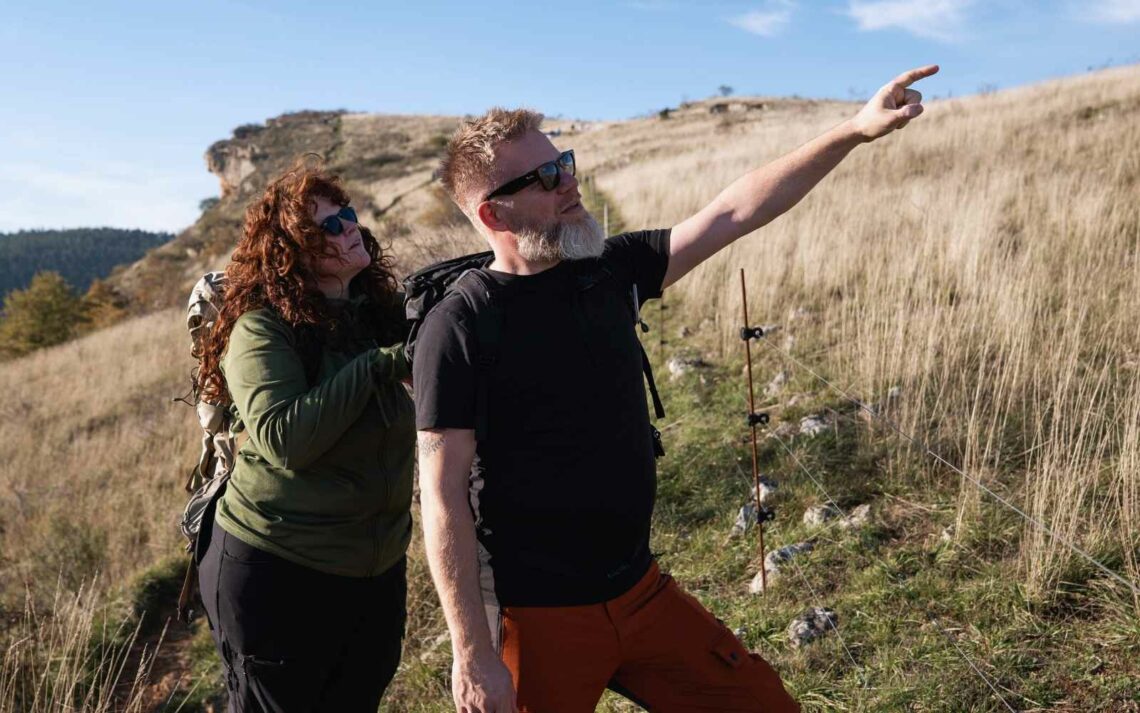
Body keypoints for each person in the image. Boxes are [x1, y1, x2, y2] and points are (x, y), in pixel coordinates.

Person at [414, 64, 938, 713]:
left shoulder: (608, 271)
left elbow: (735, 209)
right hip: (535, 614)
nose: (571, 181)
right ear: (494, 212)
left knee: (764, 705)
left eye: (567, 161)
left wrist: (855, 130)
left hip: (640, 590)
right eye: (548, 176)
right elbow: (441, 500)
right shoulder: (459, 326)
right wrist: (473, 654)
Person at [194, 162, 414, 712]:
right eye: (328, 229)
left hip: (373, 571)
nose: (349, 230)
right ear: (290, 254)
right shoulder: (260, 328)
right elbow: (283, 438)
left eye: (348, 217)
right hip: (278, 574)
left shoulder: (375, 315)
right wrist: (378, 366)